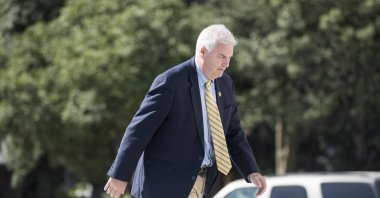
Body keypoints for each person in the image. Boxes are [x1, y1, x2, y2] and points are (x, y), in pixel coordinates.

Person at [104, 24, 267, 198]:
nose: (227, 63)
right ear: (203, 52)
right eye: (221, 56)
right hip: (162, 185)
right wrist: (120, 175)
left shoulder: (226, 84)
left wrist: (251, 171)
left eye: (229, 57)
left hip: (201, 182)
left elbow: (233, 132)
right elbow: (139, 130)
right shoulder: (170, 82)